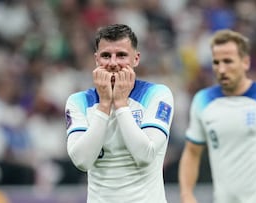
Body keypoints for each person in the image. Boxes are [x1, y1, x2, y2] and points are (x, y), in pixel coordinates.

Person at [65, 24, 174, 203]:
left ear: (136, 59)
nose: (113, 63)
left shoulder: (158, 94)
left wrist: (121, 104)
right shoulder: (78, 101)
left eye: (122, 55)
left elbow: (145, 155)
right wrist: (105, 104)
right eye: (106, 55)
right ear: (96, 60)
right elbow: (82, 161)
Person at [178, 29, 256, 203]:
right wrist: (186, 194)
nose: (221, 69)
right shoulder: (202, 101)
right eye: (216, 62)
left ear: (245, 62)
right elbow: (192, 152)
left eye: (228, 61)